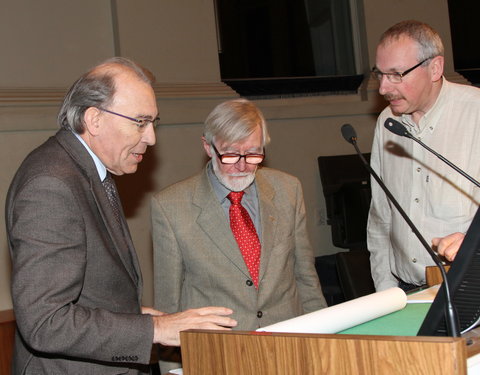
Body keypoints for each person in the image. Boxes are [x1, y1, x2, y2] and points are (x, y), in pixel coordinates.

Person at [5, 57, 236, 374]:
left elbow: (84, 290)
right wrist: (157, 330)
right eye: (140, 122)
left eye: (154, 122)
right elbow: (46, 321)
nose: (151, 137)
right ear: (94, 119)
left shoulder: (84, 169)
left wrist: (134, 316)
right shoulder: (51, 185)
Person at [151, 98, 326, 371]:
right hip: (217, 356)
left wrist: (327, 346)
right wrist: (171, 369)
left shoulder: (288, 190)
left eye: (254, 154)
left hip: (287, 350)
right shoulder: (171, 207)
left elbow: (306, 277)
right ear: (208, 147)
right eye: (231, 155)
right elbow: (169, 306)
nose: (242, 166)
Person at [367, 20, 480, 292]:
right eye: (379, 74)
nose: (383, 88)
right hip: (406, 290)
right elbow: (381, 216)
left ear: (435, 68)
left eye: (396, 74)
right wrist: (386, 290)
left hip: (469, 287)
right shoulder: (387, 123)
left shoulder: (476, 112)